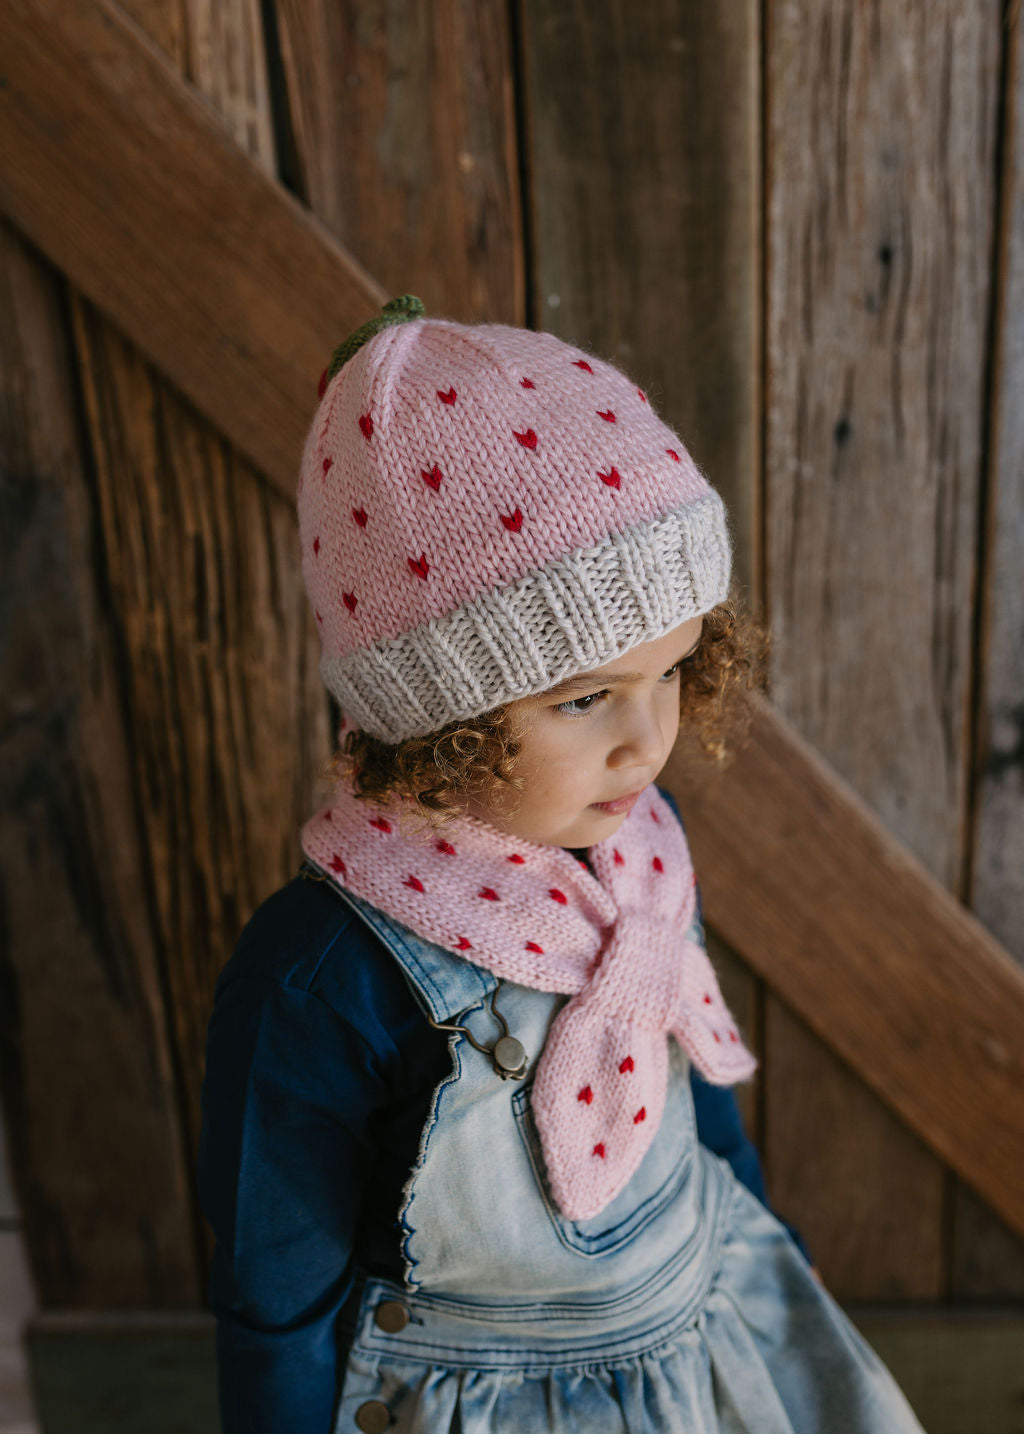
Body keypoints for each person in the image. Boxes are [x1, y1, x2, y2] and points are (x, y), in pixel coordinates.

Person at [197, 296, 927, 1433]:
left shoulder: (636, 844)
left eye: (674, 671)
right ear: (440, 717)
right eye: (582, 698)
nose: (647, 740)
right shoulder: (319, 976)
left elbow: (685, 1099)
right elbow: (275, 1298)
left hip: (701, 1339)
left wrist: (770, 1256)